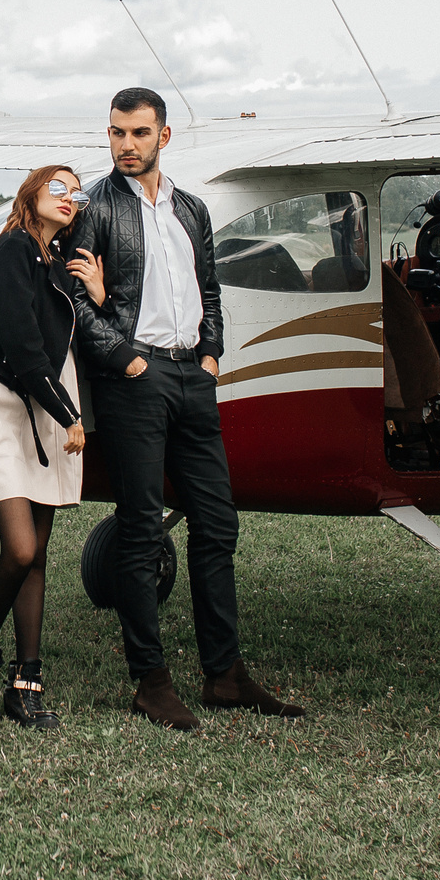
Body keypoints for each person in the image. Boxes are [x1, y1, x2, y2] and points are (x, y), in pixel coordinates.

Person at [67, 86, 304, 729]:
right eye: (116, 133)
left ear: (163, 137)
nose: (125, 146)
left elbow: (209, 290)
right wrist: (127, 359)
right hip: (137, 380)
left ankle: (224, 675)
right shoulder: (94, 208)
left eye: (139, 133)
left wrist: (211, 357)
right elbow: (74, 299)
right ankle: (151, 681)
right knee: (142, 531)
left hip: (192, 377)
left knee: (217, 524)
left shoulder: (192, 210)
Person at [0, 164, 93, 729]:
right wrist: (70, 416)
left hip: (49, 403)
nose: (68, 198)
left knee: (38, 552)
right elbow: (21, 345)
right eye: (56, 187)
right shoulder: (12, 250)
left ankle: (27, 681)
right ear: (30, 194)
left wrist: (97, 292)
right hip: (7, 406)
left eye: (75, 193)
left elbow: (76, 339)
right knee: (20, 549)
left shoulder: (57, 263)